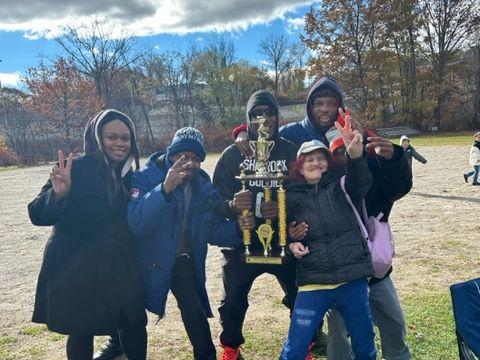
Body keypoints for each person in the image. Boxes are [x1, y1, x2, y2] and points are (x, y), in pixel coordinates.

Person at [28, 109, 147, 360]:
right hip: (80, 264)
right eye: (111, 137)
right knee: (82, 329)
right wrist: (58, 194)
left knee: (134, 321)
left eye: (126, 138)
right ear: (97, 138)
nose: (120, 143)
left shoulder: (130, 175)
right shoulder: (75, 169)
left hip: (120, 263)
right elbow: (37, 214)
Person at [126, 127, 242, 360]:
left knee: (194, 311)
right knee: (132, 319)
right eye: (182, 156)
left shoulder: (201, 183)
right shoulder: (144, 176)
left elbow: (212, 230)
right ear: (172, 154)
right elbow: (137, 223)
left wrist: (242, 228)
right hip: (145, 262)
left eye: (195, 158)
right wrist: (164, 190)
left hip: (181, 259)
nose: (188, 163)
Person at [280, 115, 376, 360]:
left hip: (351, 280)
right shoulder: (289, 196)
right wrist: (291, 244)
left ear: (328, 164)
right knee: (295, 350)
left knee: (365, 347)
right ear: (299, 167)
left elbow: (361, 183)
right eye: (309, 160)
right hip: (313, 282)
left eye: (321, 159)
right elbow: (280, 235)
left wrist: (356, 155)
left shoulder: (342, 185)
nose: (316, 163)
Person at [213, 89, 299, 360]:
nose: (264, 119)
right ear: (248, 119)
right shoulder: (233, 154)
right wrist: (233, 207)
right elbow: (215, 201)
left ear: (277, 115)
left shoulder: (289, 150)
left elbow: (307, 190)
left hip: (283, 239)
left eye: (269, 112)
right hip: (243, 241)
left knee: (302, 294)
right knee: (232, 302)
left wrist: (284, 208)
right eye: (257, 114)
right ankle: (231, 347)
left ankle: (303, 344)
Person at [322, 126, 412, 360]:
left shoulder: (376, 175)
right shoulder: (324, 184)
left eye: (352, 146)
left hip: (376, 272)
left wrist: (394, 158)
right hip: (341, 276)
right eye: (339, 151)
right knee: (339, 334)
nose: (347, 153)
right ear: (331, 157)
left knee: (394, 323)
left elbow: (401, 185)